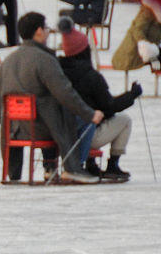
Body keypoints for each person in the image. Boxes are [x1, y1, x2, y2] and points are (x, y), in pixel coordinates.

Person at [0, 12, 103, 183]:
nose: (48, 33)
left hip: (12, 127)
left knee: (49, 111)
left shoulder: (9, 60)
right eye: (46, 28)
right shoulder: (45, 60)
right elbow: (65, 93)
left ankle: (48, 168)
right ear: (38, 31)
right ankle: (74, 166)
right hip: (40, 126)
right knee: (79, 120)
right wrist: (89, 113)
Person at [57, 19, 141, 181]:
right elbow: (109, 107)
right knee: (124, 120)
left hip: (62, 130)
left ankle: (91, 163)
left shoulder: (58, 72)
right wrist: (131, 95)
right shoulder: (91, 77)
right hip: (86, 133)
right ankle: (113, 165)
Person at [111, 0, 161, 73]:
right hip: (132, 55)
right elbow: (137, 29)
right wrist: (145, 46)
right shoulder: (148, 10)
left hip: (152, 55)